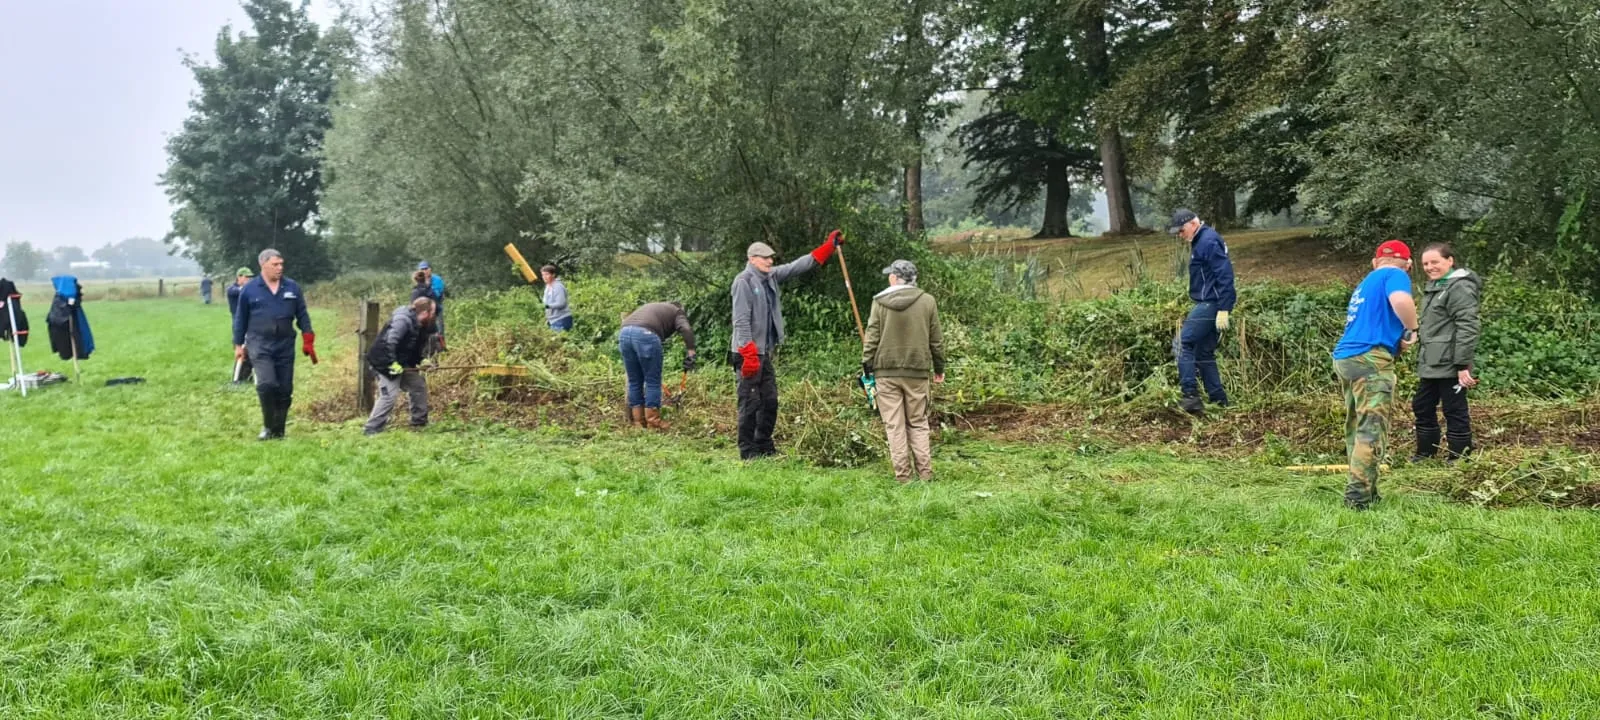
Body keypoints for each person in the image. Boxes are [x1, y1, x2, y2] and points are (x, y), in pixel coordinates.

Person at [729, 231, 841, 459]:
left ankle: (764, 445)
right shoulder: (743, 282)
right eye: (765, 258)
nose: (770, 261)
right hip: (747, 353)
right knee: (750, 403)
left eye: (771, 258)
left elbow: (796, 266)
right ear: (752, 259)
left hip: (763, 353)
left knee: (769, 400)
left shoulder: (769, 276)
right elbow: (740, 320)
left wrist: (827, 247)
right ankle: (748, 451)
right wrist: (748, 353)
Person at [1331, 240, 1419, 510]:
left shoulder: (1365, 284)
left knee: (1357, 427)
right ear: (1409, 263)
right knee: (1371, 429)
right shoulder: (1395, 275)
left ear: (1374, 261)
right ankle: (1357, 498)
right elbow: (1401, 300)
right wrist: (1412, 330)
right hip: (1370, 359)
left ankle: (1367, 490)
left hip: (1345, 358)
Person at [861, 259, 945, 483]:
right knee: (917, 423)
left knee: (894, 426)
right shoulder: (928, 301)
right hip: (917, 370)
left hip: (885, 371)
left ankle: (904, 479)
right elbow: (936, 340)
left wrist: (866, 366)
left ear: (893, 278)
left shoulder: (879, 302)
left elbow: (872, 337)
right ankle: (925, 476)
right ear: (914, 279)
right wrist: (939, 367)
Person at [233, 249, 317, 440]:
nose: (280, 268)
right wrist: (238, 344)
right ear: (263, 265)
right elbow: (241, 318)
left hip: (285, 344)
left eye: (281, 264)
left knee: (285, 389)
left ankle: (279, 430)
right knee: (267, 384)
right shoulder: (249, 289)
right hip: (259, 343)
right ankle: (268, 427)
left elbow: (302, 314)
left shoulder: (292, 287)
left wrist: (308, 337)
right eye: (275, 264)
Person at [1411, 243, 1481, 462]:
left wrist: (1462, 365)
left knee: (1454, 409)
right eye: (1425, 263)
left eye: (1435, 262)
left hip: (1451, 362)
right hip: (1432, 361)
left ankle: (1460, 457)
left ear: (1450, 261)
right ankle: (1426, 453)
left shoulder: (1459, 287)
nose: (1430, 267)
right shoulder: (1436, 286)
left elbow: (1467, 326)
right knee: (1421, 405)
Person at [1168, 209, 1237, 416]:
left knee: (1182, 344)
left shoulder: (1207, 241)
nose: (1180, 235)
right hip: (1210, 302)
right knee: (1203, 352)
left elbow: (1225, 274)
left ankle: (1190, 396)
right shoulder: (1202, 240)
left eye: (1181, 230)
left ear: (1193, 223)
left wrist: (1224, 308)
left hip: (1210, 303)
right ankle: (1219, 401)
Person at [364, 297, 438, 436]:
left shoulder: (419, 324)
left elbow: (411, 349)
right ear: (425, 312)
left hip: (399, 362)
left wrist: (422, 361)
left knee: (418, 385)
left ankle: (419, 422)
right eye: (433, 312)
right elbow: (389, 343)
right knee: (389, 396)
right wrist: (392, 364)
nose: (434, 315)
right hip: (383, 362)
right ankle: (371, 429)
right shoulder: (402, 321)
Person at [619, 301, 697, 430]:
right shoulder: (677, 311)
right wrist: (691, 352)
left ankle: (638, 422)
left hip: (624, 333)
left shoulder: (656, 307)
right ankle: (653, 422)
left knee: (634, 381)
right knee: (653, 381)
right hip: (646, 334)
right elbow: (686, 329)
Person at [226, 267, 255, 384]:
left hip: (250, 322)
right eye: (247, 277)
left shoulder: (247, 289)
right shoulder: (232, 290)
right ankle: (236, 379)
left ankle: (247, 376)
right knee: (241, 349)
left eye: (250, 277)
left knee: (250, 350)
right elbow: (243, 291)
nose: (249, 280)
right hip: (239, 323)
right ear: (239, 277)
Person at [417, 261, 445, 336]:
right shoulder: (419, 281)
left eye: (426, 269)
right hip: (423, 310)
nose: (424, 271)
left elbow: (437, 294)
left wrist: (427, 286)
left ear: (430, 269)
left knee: (439, 329)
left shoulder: (437, 279)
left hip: (436, 308)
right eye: (422, 269)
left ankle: (442, 345)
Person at [541, 265, 572, 332]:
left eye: (547, 274)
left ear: (553, 275)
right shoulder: (547, 287)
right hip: (553, 320)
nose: (544, 277)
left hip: (562, 319)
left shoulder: (558, 287)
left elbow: (561, 303)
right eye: (543, 275)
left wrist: (547, 306)